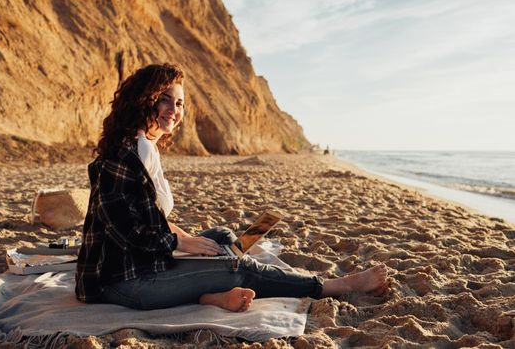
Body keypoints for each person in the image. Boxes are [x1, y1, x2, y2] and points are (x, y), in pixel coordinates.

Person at [75, 63, 388, 312]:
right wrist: (181, 244)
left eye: (180, 102)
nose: (175, 109)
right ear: (144, 100)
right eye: (165, 100)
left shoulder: (146, 148)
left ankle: (209, 295)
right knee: (235, 265)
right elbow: (127, 232)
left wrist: (184, 237)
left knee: (223, 238)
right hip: (118, 281)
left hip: (141, 262)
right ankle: (332, 286)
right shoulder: (126, 154)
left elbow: (146, 214)